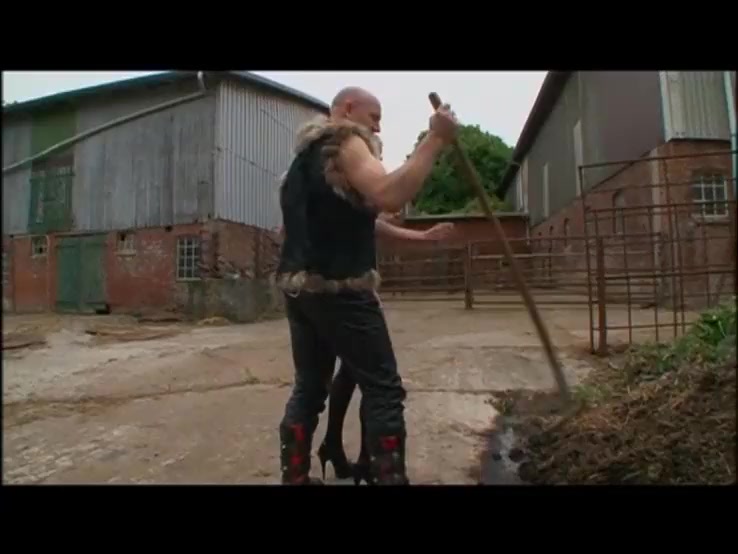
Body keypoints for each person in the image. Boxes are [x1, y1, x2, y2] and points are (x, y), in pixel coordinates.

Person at [276, 85, 459, 485]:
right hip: (342, 289)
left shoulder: (300, 167)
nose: (377, 127)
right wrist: (435, 139)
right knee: (383, 388)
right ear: (348, 109)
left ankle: (295, 478)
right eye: (374, 118)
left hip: (301, 292)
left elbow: (361, 220)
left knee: (310, 388)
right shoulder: (345, 142)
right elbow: (390, 194)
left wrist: (421, 238)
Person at [317, 215, 455, 485]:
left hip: (328, 292)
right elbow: (372, 222)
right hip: (348, 293)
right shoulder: (349, 201)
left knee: (351, 372)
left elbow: (371, 224)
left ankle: (335, 445)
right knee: (377, 381)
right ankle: (366, 461)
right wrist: (424, 236)